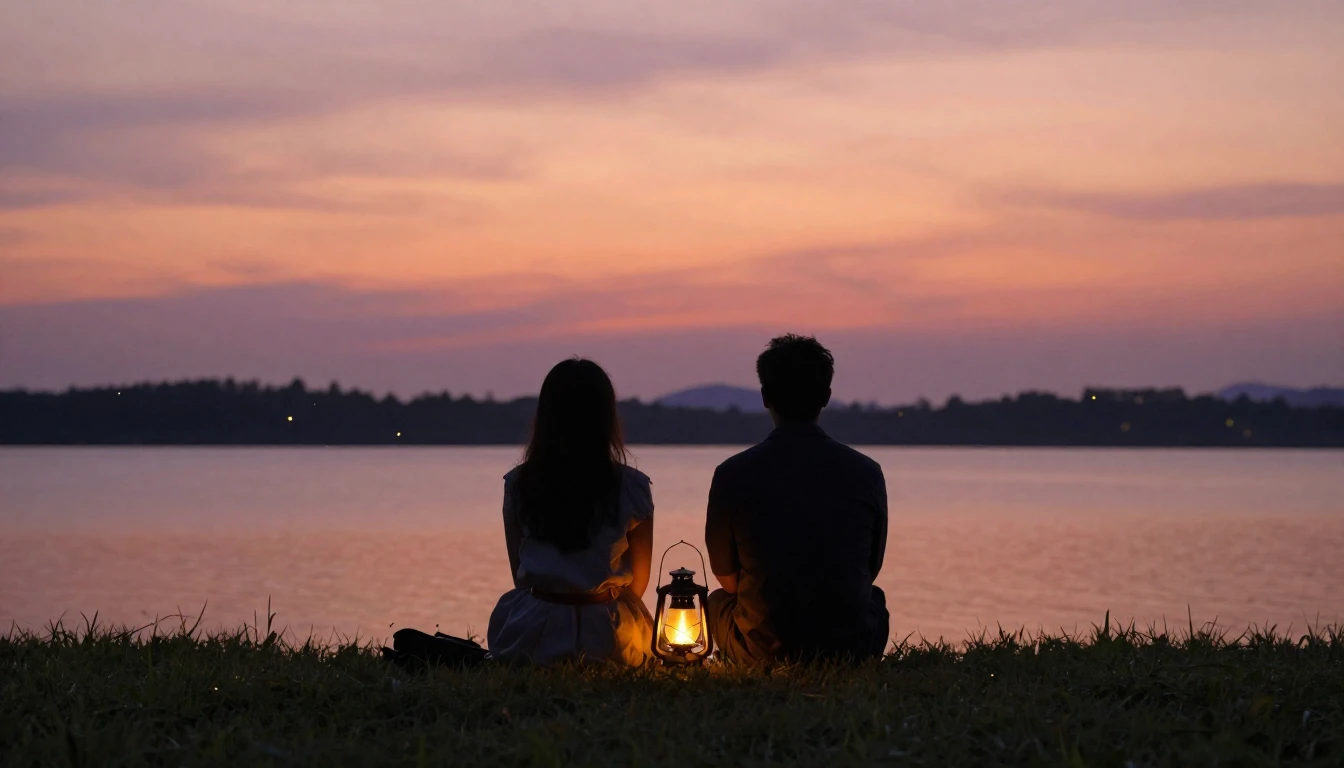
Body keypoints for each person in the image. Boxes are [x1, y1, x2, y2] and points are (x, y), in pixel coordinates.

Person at [705, 334, 888, 663]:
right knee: (873, 598)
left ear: (764, 397)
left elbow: (728, 581)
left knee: (717, 601)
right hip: (852, 648)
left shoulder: (731, 474)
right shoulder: (867, 472)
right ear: (827, 397)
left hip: (760, 651)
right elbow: (870, 568)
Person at [487, 358, 656, 665]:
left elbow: (520, 576)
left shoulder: (519, 485)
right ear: (605, 418)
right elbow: (638, 583)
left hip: (534, 631)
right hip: (606, 634)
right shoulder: (633, 486)